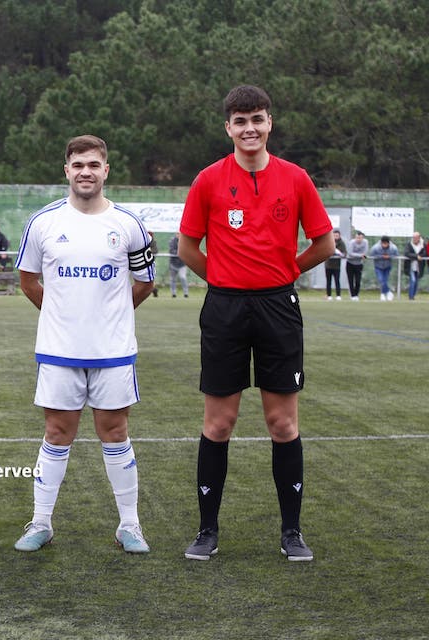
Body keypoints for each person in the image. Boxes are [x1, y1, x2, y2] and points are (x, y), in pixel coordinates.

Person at [178, 85, 334, 562]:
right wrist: (225, 281)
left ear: (270, 124)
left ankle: (292, 532)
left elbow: (324, 244)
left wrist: (286, 272)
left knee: (281, 422)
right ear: (228, 127)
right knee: (218, 422)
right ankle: (207, 531)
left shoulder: (296, 178)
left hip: (278, 307)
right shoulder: (208, 180)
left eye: (258, 120)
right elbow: (188, 249)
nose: (250, 129)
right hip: (225, 309)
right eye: (240, 121)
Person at [12, 135, 155, 553]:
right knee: (57, 433)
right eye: (78, 165)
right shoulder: (43, 223)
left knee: (115, 432)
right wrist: (62, 316)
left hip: (112, 352)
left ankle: (129, 525)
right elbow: (28, 281)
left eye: (93, 164)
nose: (86, 172)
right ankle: (40, 523)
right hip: (59, 351)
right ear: (67, 170)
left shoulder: (128, 225)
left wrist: (112, 318)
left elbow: (145, 283)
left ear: (106, 170)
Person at [368, 235, 399, 301]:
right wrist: (381, 256)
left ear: (388, 243)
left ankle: (383, 294)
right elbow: (370, 255)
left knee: (385, 280)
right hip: (378, 266)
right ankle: (388, 292)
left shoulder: (393, 248)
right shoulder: (375, 247)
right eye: (383, 243)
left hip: (388, 266)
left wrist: (389, 256)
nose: (384, 245)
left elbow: (396, 255)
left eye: (386, 243)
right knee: (381, 279)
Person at [345, 230, 368, 301]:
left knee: (358, 281)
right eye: (357, 238)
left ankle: (356, 295)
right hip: (350, 263)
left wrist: (361, 256)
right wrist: (360, 255)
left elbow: (365, 253)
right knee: (351, 280)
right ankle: (352, 295)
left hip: (359, 264)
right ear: (355, 237)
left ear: (362, 238)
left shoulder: (365, 242)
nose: (358, 239)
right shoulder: (352, 242)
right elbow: (350, 253)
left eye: (360, 238)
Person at [324, 229, 346, 300]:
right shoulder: (328, 242)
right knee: (328, 281)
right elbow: (324, 251)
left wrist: (339, 253)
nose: (335, 237)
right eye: (334, 235)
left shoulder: (342, 243)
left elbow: (344, 253)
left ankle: (338, 295)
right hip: (328, 265)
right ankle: (329, 295)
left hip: (337, 266)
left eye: (337, 235)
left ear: (339, 236)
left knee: (337, 280)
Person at [403, 231, 426, 300]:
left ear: (419, 238)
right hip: (410, 266)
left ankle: (413, 295)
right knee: (412, 280)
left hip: (419, 266)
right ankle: (411, 297)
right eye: (413, 237)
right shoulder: (409, 244)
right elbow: (406, 253)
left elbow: (424, 253)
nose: (415, 239)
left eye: (416, 237)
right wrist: (416, 256)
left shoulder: (422, 245)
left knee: (416, 281)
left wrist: (420, 256)